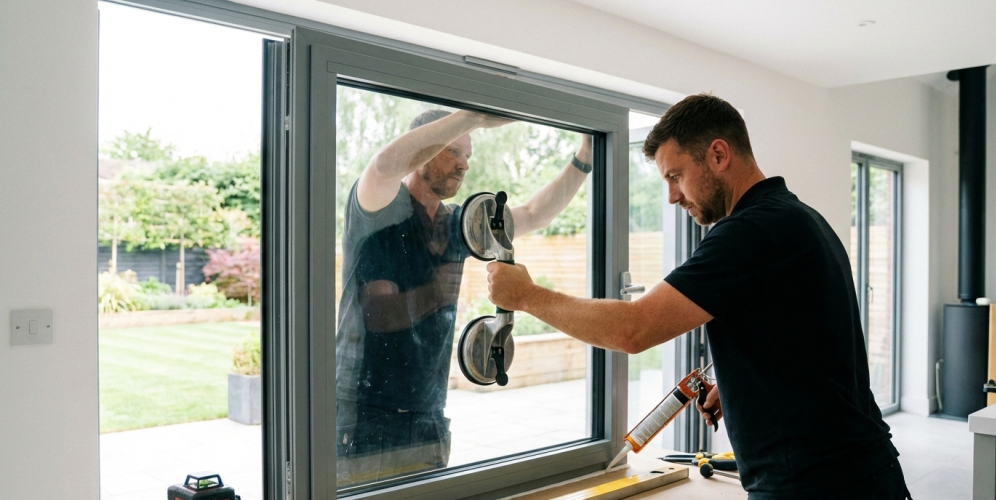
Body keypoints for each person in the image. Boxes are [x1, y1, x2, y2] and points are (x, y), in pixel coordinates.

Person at [485, 94, 911, 499]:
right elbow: (804, 335)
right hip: (853, 469)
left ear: (719, 155)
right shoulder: (796, 216)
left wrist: (527, 295)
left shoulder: (749, 231)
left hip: (820, 483)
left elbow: (634, 329)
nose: (671, 196)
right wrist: (743, 383)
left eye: (675, 176)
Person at [335, 108, 592, 485]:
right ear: (421, 153)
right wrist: (472, 116)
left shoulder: (458, 224)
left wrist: (584, 156)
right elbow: (380, 316)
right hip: (366, 412)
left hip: (429, 411)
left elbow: (535, 214)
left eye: (468, 155)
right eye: (454, 151)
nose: (464, 165)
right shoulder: (378, 209)